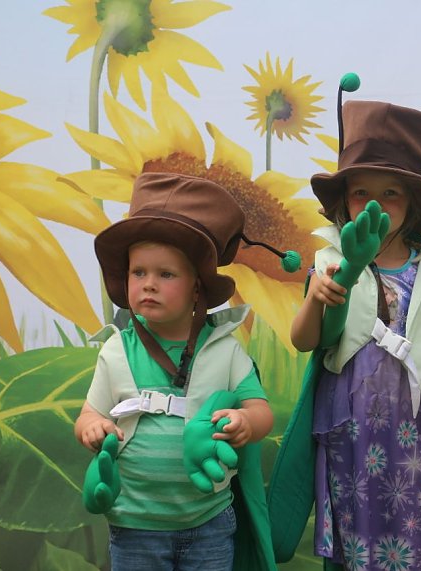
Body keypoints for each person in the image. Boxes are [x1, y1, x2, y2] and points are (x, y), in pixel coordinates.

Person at [286, 97, 421, 570]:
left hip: (413, 433)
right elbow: (304, 340)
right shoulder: (330, 261)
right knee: (355, 547)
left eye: (391, 193)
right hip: (348, 429)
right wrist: (316, 297)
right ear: (344, 200)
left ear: (412, 203)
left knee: (411, 543)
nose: (375, 204)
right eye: (361, 193)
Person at [74, 171, 286, 571]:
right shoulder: (117, 350)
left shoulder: (224, 350)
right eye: (139, 273)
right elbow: (89, 413)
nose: (148, 284)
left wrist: (244, 420)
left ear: (196, 289)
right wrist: (91, 428)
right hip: (134, 525)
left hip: (207, 522)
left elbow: (262, 412)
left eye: (166, 274)